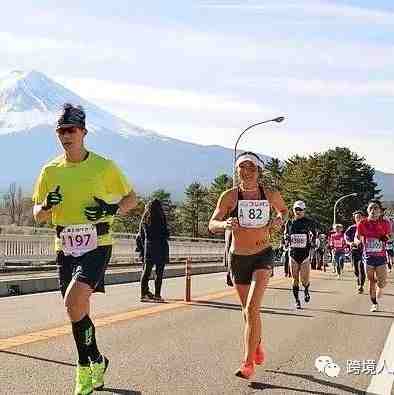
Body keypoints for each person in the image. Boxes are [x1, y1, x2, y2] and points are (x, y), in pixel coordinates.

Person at [32, 103, 137, 395]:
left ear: (83, 132)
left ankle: (82, 369)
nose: (66, 135)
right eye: (61, 131)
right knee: (76, 311)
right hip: (64, 246)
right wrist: (46, 205)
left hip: (97, 244)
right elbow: (37, 214)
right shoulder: (50, 170)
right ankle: (97, 360)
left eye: (71, 130)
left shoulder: (104, 166)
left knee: (72, 302)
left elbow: (132, 198)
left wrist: (111, 208)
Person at [208, 151, 288, 379]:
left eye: (251, 168)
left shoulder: (269, 194)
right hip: (238, 258)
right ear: (237, 171)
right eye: (242, 168)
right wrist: (225, 224)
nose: (247, 172)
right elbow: (212, 223)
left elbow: (283, 210)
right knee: (248, 312)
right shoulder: (230, 196)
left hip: (262, 254)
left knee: (253, 308)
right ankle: (257, 344)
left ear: (259, 171)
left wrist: (279, 220)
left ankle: (247, 363)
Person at [357, 200, 391, 312]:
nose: (373, 210)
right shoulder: (362, 223)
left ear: (380, 212)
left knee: (382, 282)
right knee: (371, 280)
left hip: (381, 257)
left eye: (376, 209)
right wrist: (358, 242)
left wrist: (384, 238)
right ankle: (374, 303)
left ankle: (380, 287)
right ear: (367, 211)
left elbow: (389, 236)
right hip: (368, 257)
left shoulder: (385, 223)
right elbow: (359, 237)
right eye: (371, 208)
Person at [284, 201, 317, 309]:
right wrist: (285, 240)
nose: (298, 211)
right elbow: (285, 235)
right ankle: (297, 300)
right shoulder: (289, 222)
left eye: (300, 209)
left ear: (304, 211)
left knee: (305, 280)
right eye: (296, 209)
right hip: (293, 254)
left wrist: (313, 243)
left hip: (305, 255)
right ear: (293, 210)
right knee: (295, 279)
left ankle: (306, 289)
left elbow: (314, 235)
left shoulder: (309, 222)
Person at [138, 198, 170, 302]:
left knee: (146, 271)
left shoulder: (145, 218)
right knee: (159, 272)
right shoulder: (161, 217)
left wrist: (143, 248)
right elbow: (165, 233)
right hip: (161, 247)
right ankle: (157, 295)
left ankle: (143, 294)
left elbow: (141, 235)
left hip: (149, 247)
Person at [344, 211, 366, 293]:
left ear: (363, 217)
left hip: (364, 251)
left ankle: (361, 285)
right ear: (354, 218)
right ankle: (358, 279)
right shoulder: (352, 228)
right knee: (356, 269)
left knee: (361, 267)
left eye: (360, 216)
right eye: (357, 217)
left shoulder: (366, 227)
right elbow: (346, 237)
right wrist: (350, 243)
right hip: (354, 250)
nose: (358, 218)